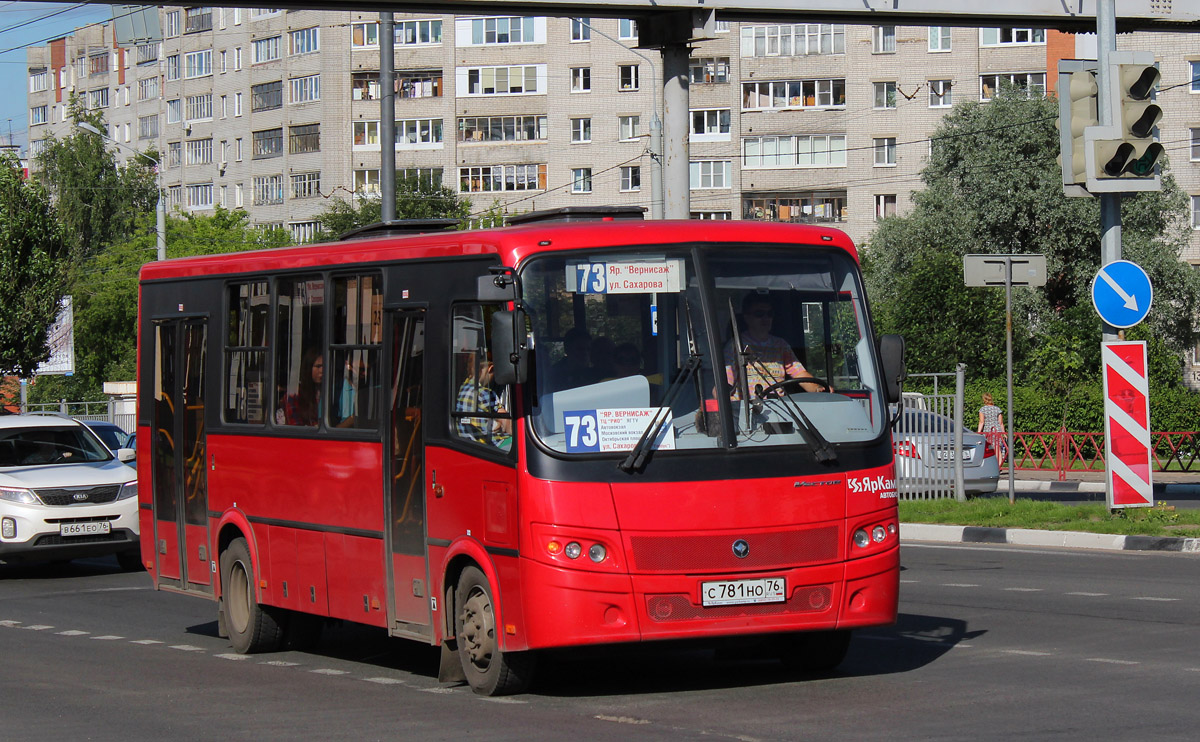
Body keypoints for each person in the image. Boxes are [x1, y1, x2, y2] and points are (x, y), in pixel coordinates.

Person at [724, 293, 823, 397]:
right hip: (748, 410)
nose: (765, 318)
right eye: (759, 314)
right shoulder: (736, 346)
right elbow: (727, 380)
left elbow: (799, 373)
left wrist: (817, 389)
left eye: (769, 314)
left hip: (779, 408)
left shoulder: (781, 345)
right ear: (747, 317)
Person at [456, 354, 511, 449]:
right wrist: (500, 425)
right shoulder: (485, 393)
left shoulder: (462, 389)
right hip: (494, 446)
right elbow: (509, 427)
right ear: (490, 369)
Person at [279, 347, 323, 426]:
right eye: (318, 366)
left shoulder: (327, 392)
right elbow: (295, 427)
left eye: (324, 366)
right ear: (308, 368)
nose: (322, 371)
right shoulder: (294, 394)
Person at [977, 392, 1006, 462]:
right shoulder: (997, 409)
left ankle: (992, 464)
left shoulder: (982, 409)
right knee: (997, 448)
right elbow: (1001, 422)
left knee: (988, 448)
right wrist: (1004, 433)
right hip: (997, 430)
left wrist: (978, 432)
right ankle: (999, 464)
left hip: (988, 430)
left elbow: (981, 422)